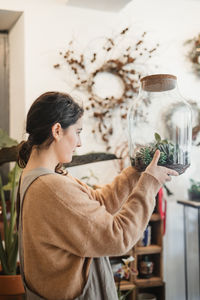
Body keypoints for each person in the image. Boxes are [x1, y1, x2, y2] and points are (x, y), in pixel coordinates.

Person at [17, 91, 178, 300]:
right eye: (78, 131)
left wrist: (136, 171)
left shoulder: (39, 176)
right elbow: (118, 236)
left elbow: (97, 202)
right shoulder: (50, 187)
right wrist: (150, 183)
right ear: (57, 130)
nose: (80, 143)